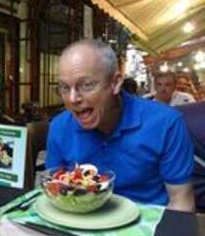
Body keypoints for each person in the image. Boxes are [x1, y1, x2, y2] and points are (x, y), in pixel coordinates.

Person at [45, 39, 195, 212]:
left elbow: (181, 202)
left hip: (147, 228)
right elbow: (55, 193)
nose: (72, 99)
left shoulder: (166, 123)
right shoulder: (59, 127)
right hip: (81, 222)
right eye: (64, 87)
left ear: (115, 82)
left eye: (87, 85)